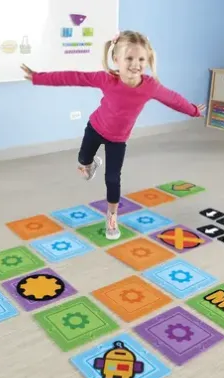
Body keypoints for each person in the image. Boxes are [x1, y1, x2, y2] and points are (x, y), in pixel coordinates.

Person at [20, 31, 205, 240]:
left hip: (118, 140)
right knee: (83, 160)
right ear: (116, 59)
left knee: (113, 179)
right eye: (129, 58)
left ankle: (112, 216)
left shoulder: (150, 86)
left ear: (147, 60)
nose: (135, 64)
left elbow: (173, 99)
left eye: (141, 59)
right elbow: (73, 77)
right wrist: (38, 77)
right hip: (95, 128)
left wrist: (193, 110)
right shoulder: (107, 79)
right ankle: (90, 165)